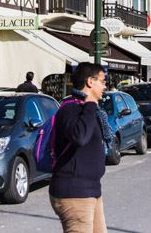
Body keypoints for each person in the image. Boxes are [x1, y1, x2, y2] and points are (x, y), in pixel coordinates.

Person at [49, 62, 111, 233]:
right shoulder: (71, 108)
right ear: (90, 82)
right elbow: (80, 137)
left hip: (90, 190)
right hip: (74, 192)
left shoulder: (88, 110)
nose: (105, 86)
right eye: (102, 81)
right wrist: (90, 104)